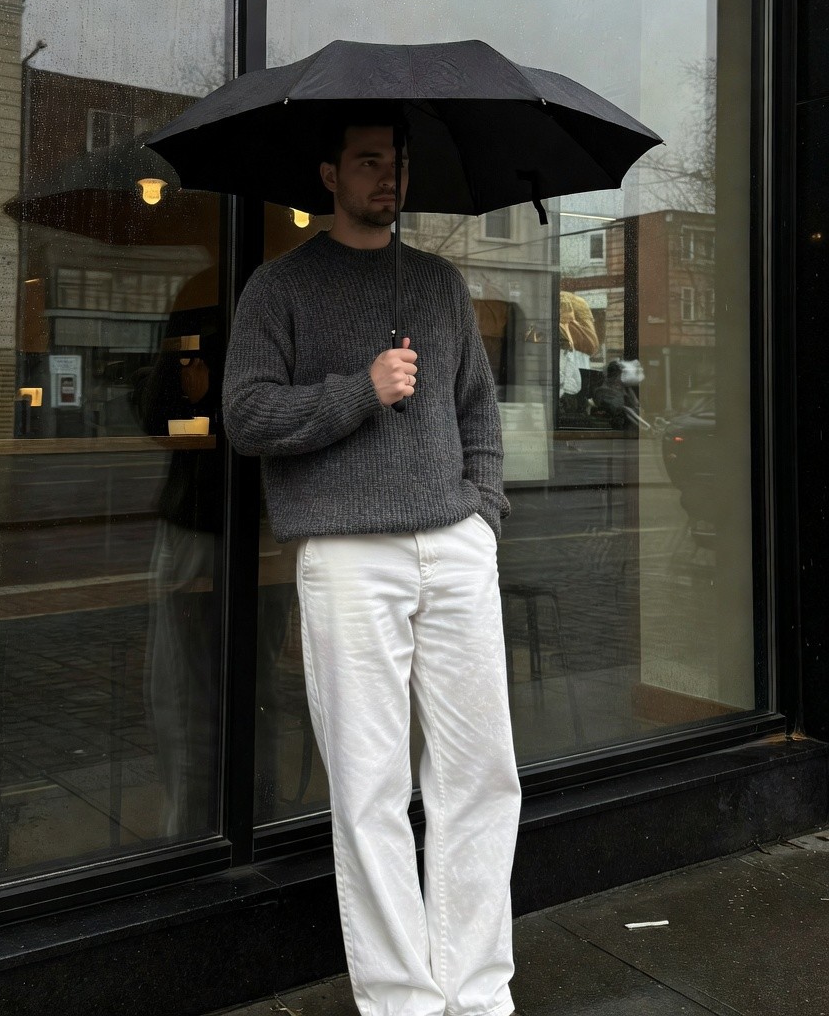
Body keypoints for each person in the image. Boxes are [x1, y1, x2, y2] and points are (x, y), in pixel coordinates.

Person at [222, 105, 522, 1016]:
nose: (385, 178)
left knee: (481, 776)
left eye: (394, 162)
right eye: (365, 163)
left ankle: (478, 992)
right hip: (348, 557)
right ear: (328, 176)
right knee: (371, 789)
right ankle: (403, 1002)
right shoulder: (279, 289)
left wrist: (484, 515)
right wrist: (361, 390)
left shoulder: (438, 284)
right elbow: (246, 416)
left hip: (453, 546)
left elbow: (478, 409)